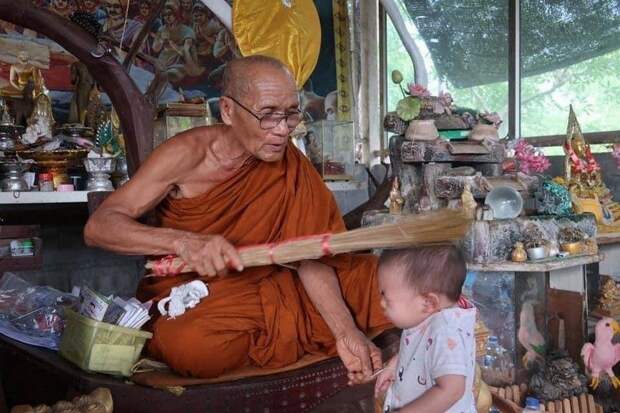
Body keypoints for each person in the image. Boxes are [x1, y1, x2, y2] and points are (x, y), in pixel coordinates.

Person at [84, 55, 390, 379]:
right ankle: (292, 330)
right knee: (188, 343)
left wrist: (345, 332)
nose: (282, 130)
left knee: (387, 282)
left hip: (284, 279)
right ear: (228, 110)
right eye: (267, 115)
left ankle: (305, 330)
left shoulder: (291, 163)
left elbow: (311, 256)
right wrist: (183, 242)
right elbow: (100, 226)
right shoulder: (186, 155)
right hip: (207, 294)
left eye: (291, 114)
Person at [374, 246, 476, 413]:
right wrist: (394, 366)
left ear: (428, 303)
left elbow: (452, 390)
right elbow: (420, 351)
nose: (382, 303)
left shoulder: (445, 332)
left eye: (386, 297)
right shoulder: (425, 318)